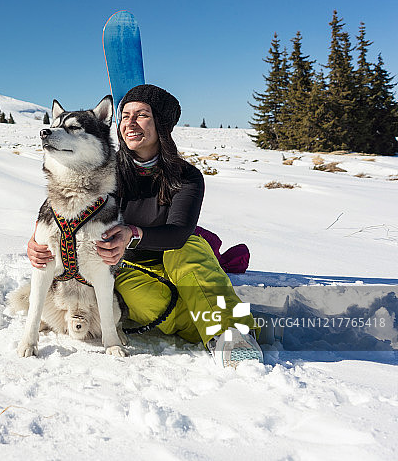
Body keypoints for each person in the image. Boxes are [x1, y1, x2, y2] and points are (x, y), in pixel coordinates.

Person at [27, 84, 263, 367]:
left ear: (161, 124)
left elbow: (178, 232)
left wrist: (132, 234)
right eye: (125, 116)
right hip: (128, 264)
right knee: (146, 302)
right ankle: (204, 327)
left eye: (141, 115)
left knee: (188, 253)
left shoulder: (186, 177)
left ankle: (231, 334)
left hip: (173, 252)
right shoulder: (106, 166)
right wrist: (37, 239)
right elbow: (65, 201)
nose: (130, 123)